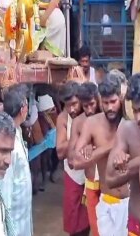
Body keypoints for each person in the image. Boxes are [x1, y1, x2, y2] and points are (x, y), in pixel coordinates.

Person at [106, 73, 140, 236]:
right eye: (135, 111)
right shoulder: (128, 130)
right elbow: (110, 179)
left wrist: (128, 166)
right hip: (137, 223)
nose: (139, 118)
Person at [72, 75, 129, 236]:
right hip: (107, 201)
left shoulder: (131, 122)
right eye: (105, 102)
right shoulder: (92, 124)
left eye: (113, 102)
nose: (110, 107)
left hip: (132, 203)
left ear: (121, 98)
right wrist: (111, 146)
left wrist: (95, 151)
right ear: (99, 100)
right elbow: (76, 161)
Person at [55, 82, 89, 236]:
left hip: (91, 176)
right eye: (67, 105)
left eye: (75, 104)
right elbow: (60, 152)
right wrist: (80, 138)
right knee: (74, 223)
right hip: (73, 175)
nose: (72, 109)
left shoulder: (91, 112)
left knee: (93, 220)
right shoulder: (63, 118)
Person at [66, 82, 99, 235]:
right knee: (95, 228)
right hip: (91, 184)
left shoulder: (108, 117)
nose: (89, 110)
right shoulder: (79, 122)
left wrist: (92, 149)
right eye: (85, 106)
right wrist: (83, 148)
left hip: (109, 187)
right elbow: (72, 159)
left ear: (97, 99)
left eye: (92, 104)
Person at [0, 84, 33, 236]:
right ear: (23, 109)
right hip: (13, 218)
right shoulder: (9, 142)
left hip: (22, 211)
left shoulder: (16, 131)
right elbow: (5, 186)